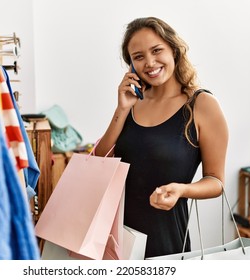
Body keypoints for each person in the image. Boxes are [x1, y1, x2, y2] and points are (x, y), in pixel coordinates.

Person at [94, 17, 229, 258]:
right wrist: (121, 109)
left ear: (174, 50)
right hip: (114, 237)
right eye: (138, 57)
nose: (149, 62)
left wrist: (182, 190)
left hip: (165, 242)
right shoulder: (133, 103)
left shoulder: (202, 105)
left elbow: (216, 181)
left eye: (157, 50)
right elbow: (98, 161)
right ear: (131, 65)